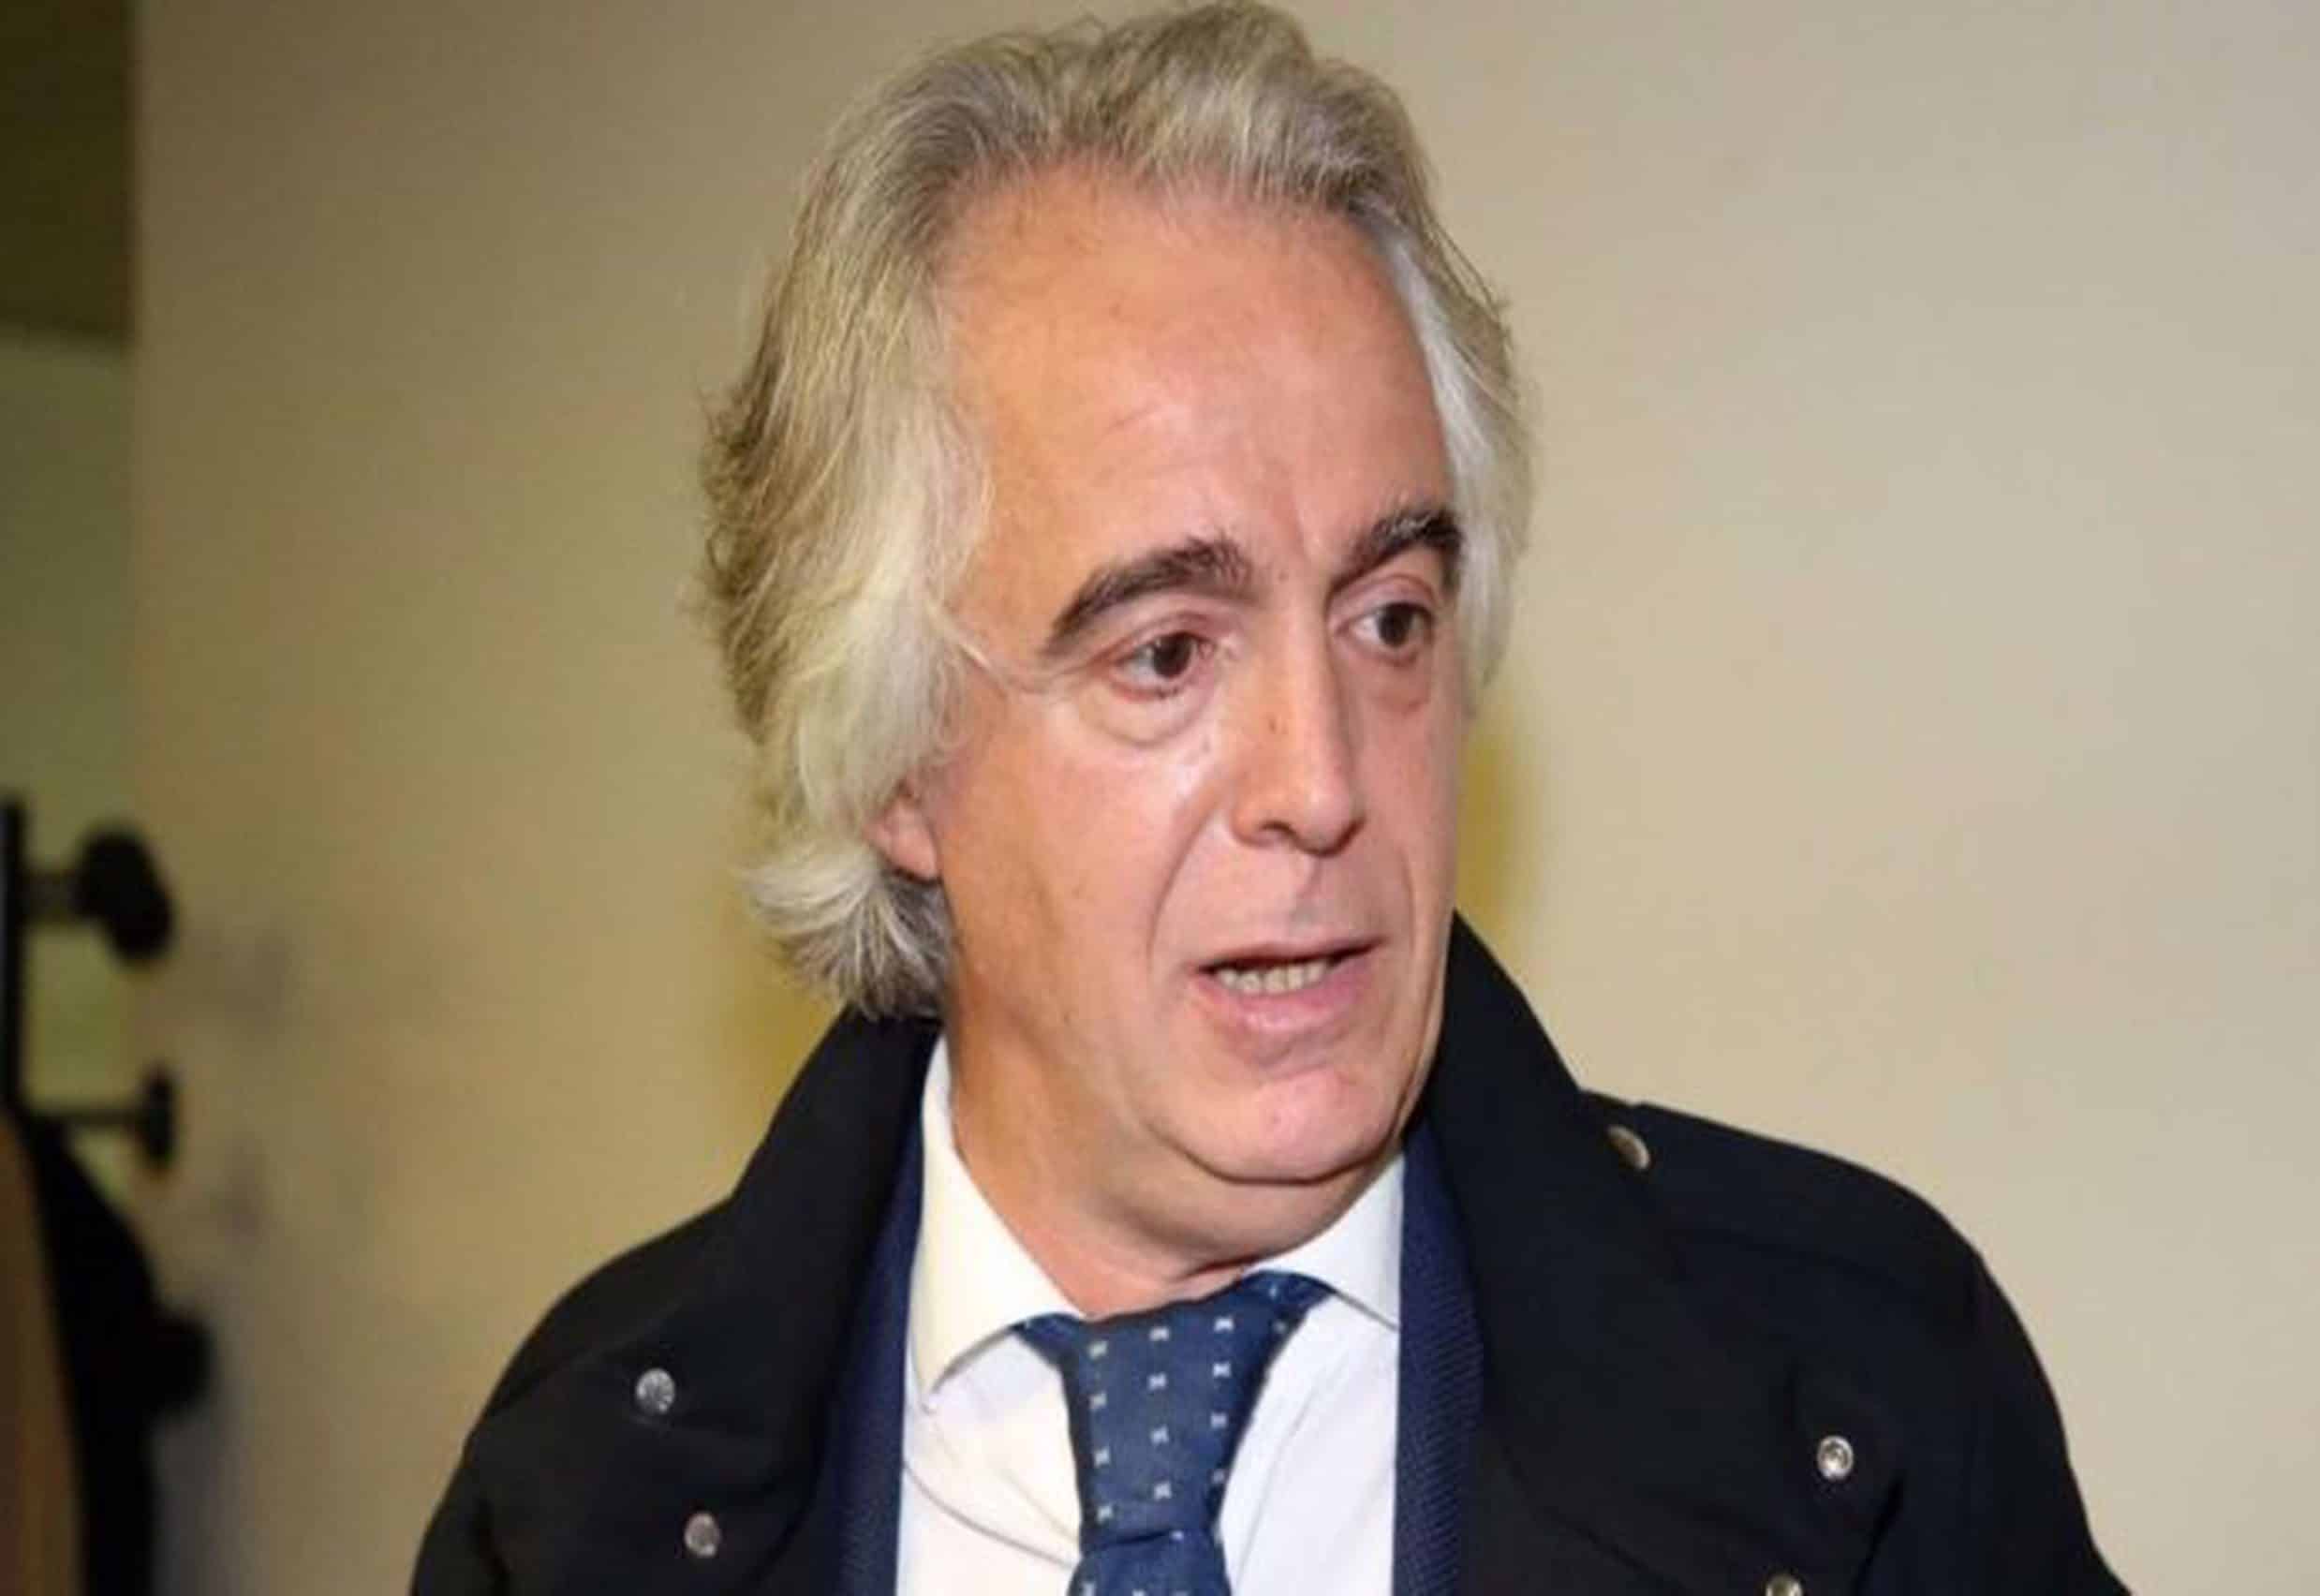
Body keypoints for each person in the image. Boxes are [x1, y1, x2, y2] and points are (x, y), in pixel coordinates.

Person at [415, 6, 2122, 1591]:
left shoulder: (1874, 1405)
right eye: (1166, 653)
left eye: (1390, 621)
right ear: (894, 759)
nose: (1323, 782)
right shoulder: (577, 1493)